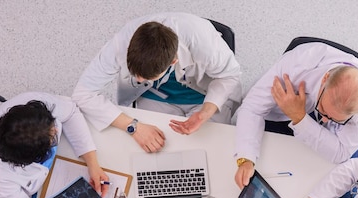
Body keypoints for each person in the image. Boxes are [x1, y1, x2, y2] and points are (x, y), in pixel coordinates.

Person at [72, 12, 242, 153]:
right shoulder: (120, 43)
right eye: (135, 73)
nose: (138, 80)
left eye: (145, 76)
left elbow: (230, 76)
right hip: (155, 95)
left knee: (211, 152)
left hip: (205, 96)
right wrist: (133, 127)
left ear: (173, 62)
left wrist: (206, 112)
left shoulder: (205, 43)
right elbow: (83, 93)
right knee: (153, 151)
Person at [234, 42, 358, 189]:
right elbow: (252, 108)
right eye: (323, 109)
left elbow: (341, 153)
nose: (323, 120)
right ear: (325, 79)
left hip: (325, 129)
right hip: (283, 111)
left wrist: (299, 118)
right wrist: (246, 158)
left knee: (342, 191)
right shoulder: (299, 63)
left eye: (336, 119)